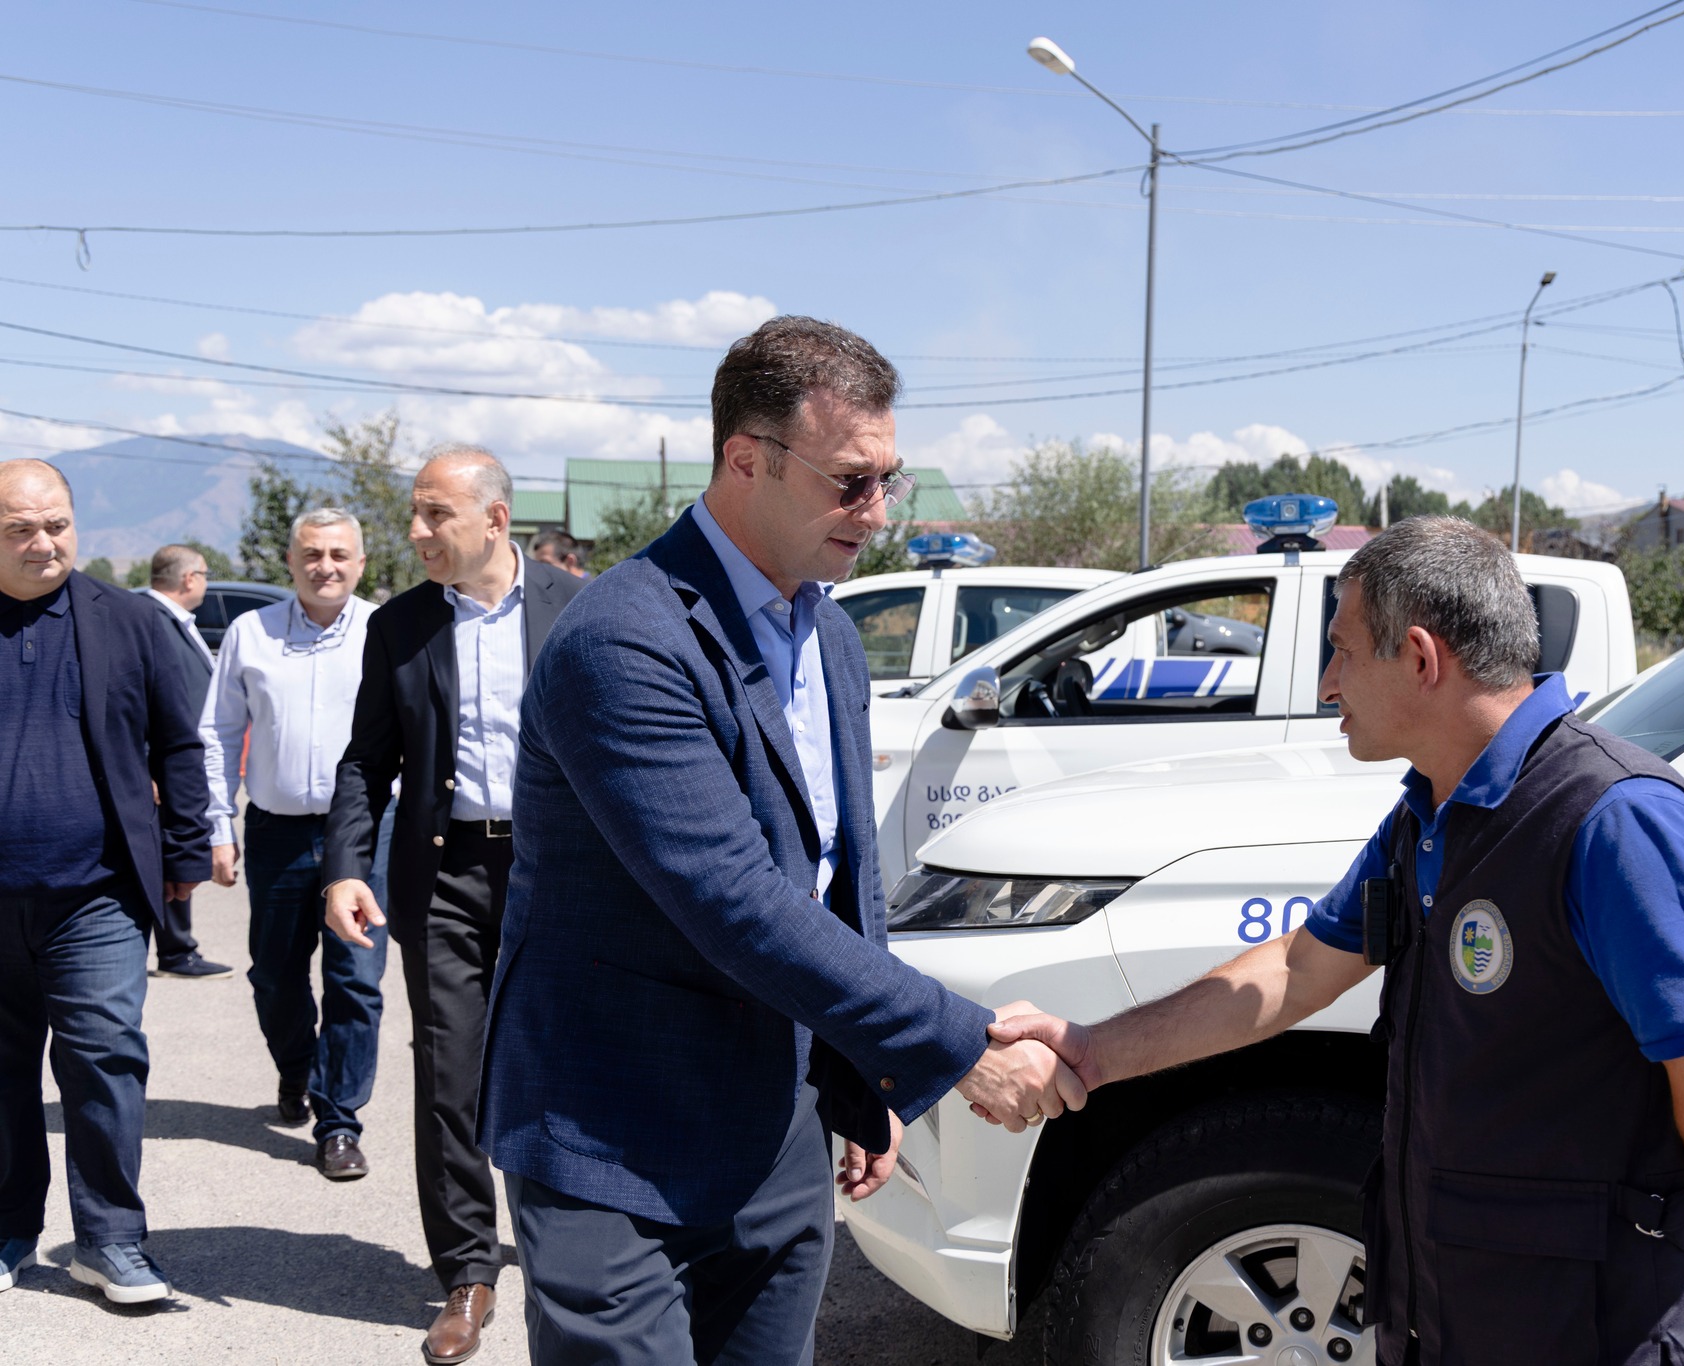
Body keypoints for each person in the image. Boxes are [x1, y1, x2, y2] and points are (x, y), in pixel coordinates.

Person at [992, 517, 1684, 1366]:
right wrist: (1092, 1051)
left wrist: (1627, 1223)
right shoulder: (1433, 814)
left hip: (1599, 1334)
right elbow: (1296, 971)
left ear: (1418, 657)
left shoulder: (1615, 822)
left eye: (1340, 651)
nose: (1327, 683)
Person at [478, 316, 1081, 1366]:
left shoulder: (830, 633)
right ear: (745, 460)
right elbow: (733, 897)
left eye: (887, 480)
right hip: (614, 1139)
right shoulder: (624, 638)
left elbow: (840, 881)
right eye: (850, 482)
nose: (877, 512)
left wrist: (862, 1076)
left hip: (775, 1136)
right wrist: (952, 1049)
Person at [323, 446, 581, 1365]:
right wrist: (345, 868)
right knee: (449, 1076)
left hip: (561, 873)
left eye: (437, 514)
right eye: (416, 513)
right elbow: (367, 762)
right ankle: (468, 1271)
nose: (418, 531)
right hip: (445, 877)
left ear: (495, 520)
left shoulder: (578, 608)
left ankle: (571, 1254)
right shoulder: (399, 625)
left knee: (570, 1067)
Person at [0, 460, 210, 1304]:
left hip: (97, 893)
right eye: (20, 529)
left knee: (104, 1060)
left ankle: (110, 1241)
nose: (43, 543)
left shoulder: (127, 620)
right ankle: (10, 1228)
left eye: (55, 525)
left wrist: (186, 852)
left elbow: (180, 741)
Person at [201, 508, 389, 1179]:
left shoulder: (383, 631)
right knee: (275, 975)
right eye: (312, 554)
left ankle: (338, 1122)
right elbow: (219, 732)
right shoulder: (251, 633)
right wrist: (218, 825)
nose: (325, 566)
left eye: (339, 554)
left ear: (360, 563)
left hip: (361, 832)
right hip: (276, 829)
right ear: (291, 562)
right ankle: (298, 1068)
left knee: (355, 979)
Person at [141, 543, 231, 979]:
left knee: (174, 854)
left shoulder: (174, 620)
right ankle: (176, 952)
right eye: (206, 574)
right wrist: (147, 771)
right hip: (162, 769)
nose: (206, 583)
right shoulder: (149, 621)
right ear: (189, 578)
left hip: (181, 764)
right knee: (166, 856)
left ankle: (178, 949)